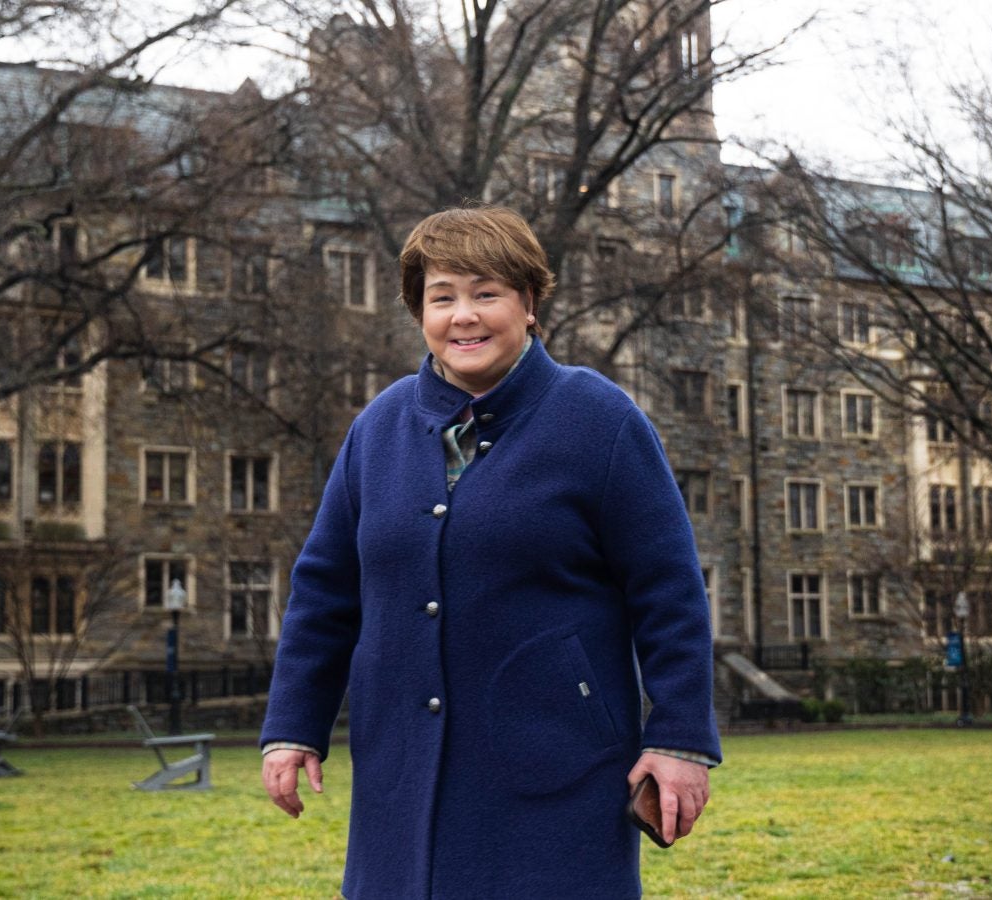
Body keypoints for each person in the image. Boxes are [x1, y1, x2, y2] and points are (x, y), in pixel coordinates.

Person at [260, 206, 721, 899]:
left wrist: (680, 738)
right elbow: (326, 591)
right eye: (442, 297)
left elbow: (670, 590)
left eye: (486, 293)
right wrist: (293, 726)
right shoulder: (378, 428)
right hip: (400, 773)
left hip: (556, 771)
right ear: (420, 311)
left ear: (529, 304)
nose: (463, 316)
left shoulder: (598, 419)